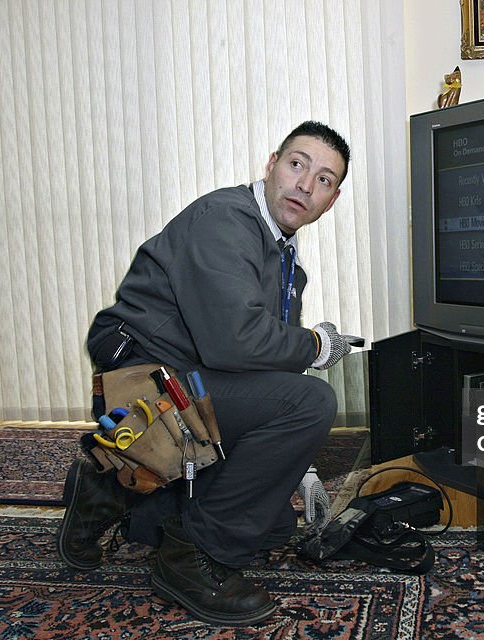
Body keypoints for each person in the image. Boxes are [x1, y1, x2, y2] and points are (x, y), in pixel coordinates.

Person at [58, 121, 356, 626]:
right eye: (297, 164)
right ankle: (191, 556)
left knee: (274, 526)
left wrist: (295, 464)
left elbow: (262, 372)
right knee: (311, 403)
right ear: (271, 165)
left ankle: (108, 488)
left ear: (332, 200)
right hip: (143, 390)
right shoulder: (226, 220)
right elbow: (238, 342)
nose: (306, 185)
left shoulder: (287, 262)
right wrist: (315, 343)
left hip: (191, 386)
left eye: (325, 180)